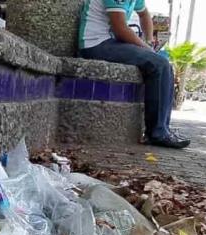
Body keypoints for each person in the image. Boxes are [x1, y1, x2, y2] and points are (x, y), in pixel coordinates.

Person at [78, 0, 190, 149]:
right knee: (159, 64)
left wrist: (149, 41)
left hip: (111, 42)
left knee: (164, 64)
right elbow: (121, 29)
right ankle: (157, 133)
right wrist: (147, 49)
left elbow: (144, 15)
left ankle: (163, 128)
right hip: (95, 44)